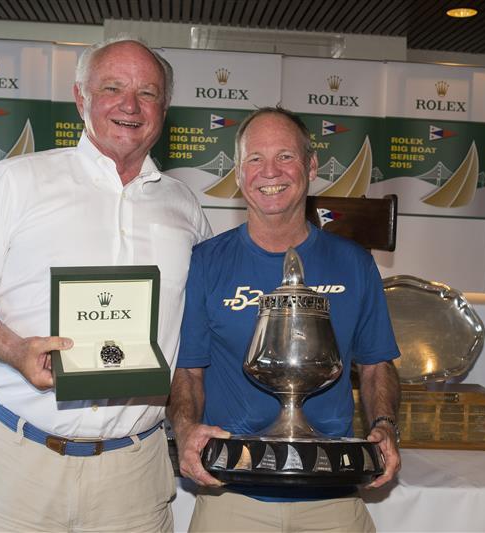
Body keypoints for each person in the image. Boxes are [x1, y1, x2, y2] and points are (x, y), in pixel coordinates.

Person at [0, 38, 211, 532]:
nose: (130, 105)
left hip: (134, 474)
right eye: (112, 88)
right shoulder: (15, 181)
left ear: (163, 109)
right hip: (20, 464)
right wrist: (15, 349)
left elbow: (197, 338)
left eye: (147, 93)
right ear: (81, 98)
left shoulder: (184, 207)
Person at [167, 107, 401, 532]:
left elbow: (375, 364)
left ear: (311, 165)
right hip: (232, 496)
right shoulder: (205, 263)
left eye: (285, 156)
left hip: (332, 497)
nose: (269, 171)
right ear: (238, 174)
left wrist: (384, 425)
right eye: (254, 159)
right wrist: (184, 430)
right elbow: (189, 371)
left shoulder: (354, 263)